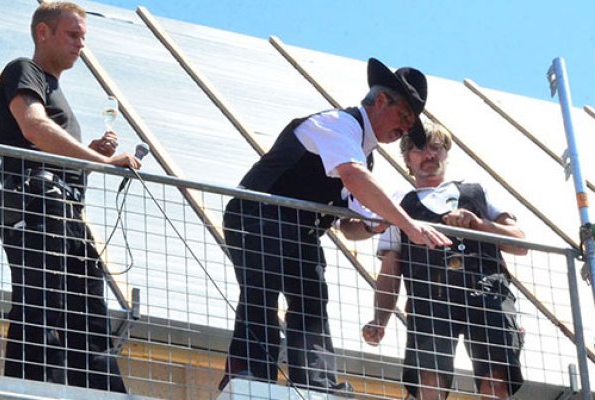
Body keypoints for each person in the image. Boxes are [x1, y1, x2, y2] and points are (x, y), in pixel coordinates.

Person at [220, 58, 452, 393]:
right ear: (382, 100)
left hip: (301, 233)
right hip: (258, 216)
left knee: (312, 300)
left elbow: (349, 225)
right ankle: (251, 376)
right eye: (403, 117)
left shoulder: (363, 155)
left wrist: (376, 225)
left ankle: (317, 384)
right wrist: (410, 225)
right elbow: (355, 178)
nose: (403, 130)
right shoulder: (337, 125)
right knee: (262, 290)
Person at [0, 1, 138, 392]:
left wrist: (89, 154)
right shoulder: (24, 70)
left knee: (87, 310)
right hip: (38, 206)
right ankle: (34, 389)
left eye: (83, 37)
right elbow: (34, 127)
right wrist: (100, 161)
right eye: (73, 35)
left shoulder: (54, 88)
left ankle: (99, 389)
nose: (80, 45)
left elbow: (48, 144)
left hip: (62, 209)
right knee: (44, 305)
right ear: (44, 32)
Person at [361, 123, 527, 399]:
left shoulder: (477, 192)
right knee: (430, 378)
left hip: (487, 291)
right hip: (430, 297)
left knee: (496, 376)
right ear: (407, 160)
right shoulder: (398, 204)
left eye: (436, 147)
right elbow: (390, 268)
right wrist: (380, 319)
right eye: (419, 149)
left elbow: (519, 242)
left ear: (446, 154)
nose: (429, 155)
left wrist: (479, 224)